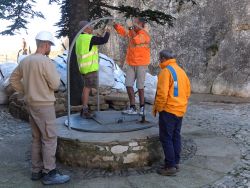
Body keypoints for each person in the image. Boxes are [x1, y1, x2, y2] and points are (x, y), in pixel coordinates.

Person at [10, 31, 70, 185]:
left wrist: (26, 90)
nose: (50, 48)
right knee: (50, 138)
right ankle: (49, 172)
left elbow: (13, 79)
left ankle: (36, 171)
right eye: (50, 45)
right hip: (44, 106)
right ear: (45, 45)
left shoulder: (26, 61)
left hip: (31, 104)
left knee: (37, 138)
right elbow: (55, 85)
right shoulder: (45, 62)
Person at [152, 50, 191, 176]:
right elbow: (187, 92)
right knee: (175, 136)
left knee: (166, 138)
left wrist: (158, 108)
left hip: (168, 110)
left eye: (160, 59)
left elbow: (162, 94)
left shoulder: (165, 72)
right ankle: (175, 162)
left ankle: (169, 166)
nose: (159, 61)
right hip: (179, 110)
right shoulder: (181, 71)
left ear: (163, 59)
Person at [113, 17, 150, 115]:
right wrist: (116, 26)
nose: (133, 24)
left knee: (140, 86)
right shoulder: (132, 32)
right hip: (131, 63)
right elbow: (124, 32)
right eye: (133, 23)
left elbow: (136, 40)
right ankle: (132, 107)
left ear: (141, 24)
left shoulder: (145, 34)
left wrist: (130, 28)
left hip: (141, 63)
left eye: (136, 23)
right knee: (128, 85)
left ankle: (142, 108)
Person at [76, 20, 110, 118]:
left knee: (86, 88)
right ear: (85, 28)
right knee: (87, 89)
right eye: (90, 27)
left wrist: (98, 35)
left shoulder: (80, 38)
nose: (92, 28)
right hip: (90, 68)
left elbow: (93, 43)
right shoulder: (88, 38)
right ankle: (85, 110)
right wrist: (107, 32)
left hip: (83, 67)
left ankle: (84, 109)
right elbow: (104, 40)